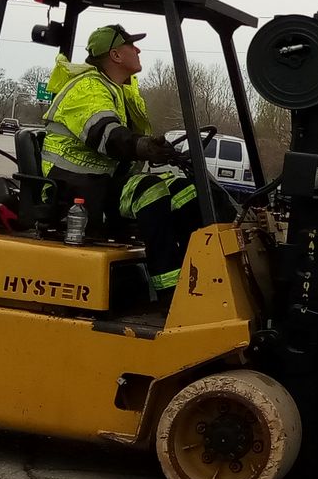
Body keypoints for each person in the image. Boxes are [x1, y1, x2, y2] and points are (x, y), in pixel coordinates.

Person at [40, 23, 206, 295]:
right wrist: (142, 146)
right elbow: (107, 135)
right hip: (76, 189)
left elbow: (130, 139)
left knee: (184, 190)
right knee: (149, 191)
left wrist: (164, 151)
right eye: (131, 45)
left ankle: (202, 277)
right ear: (116, 55)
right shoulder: (87, 89)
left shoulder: (118, 89)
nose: (138, 49)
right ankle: (170, 293)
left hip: (101, 183)